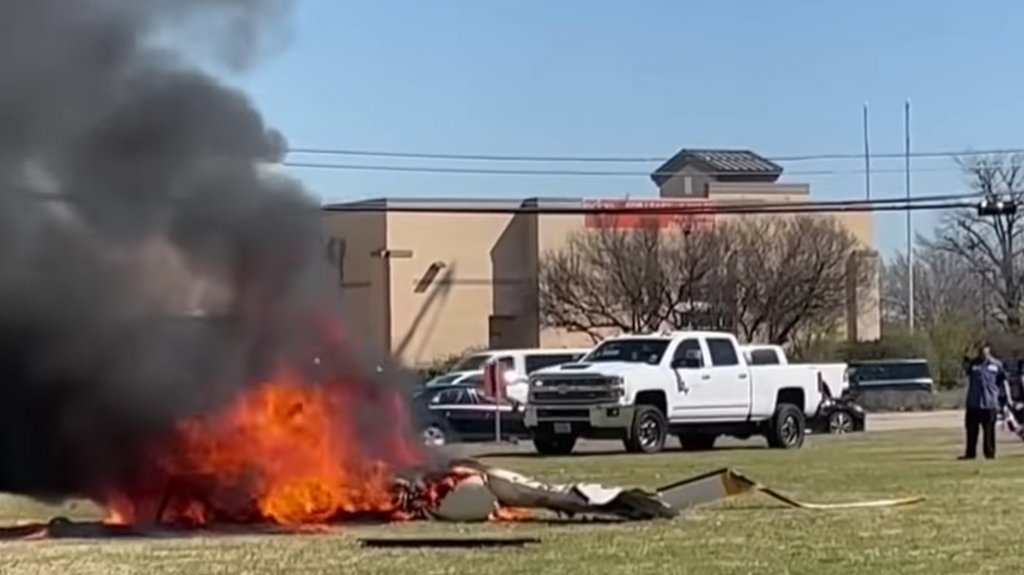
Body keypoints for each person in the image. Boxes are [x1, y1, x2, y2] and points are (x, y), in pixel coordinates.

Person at [961, 343, 1008, 460]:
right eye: (980, 350)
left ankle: (990, 453)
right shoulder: (973, 364)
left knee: (989, 431)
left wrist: (1005, 399)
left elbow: (1002, 381)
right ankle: (970, 454)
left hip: (990, 403)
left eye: (985, 350)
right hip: (974, 403)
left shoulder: (996, 365)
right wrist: (966, 353)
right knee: (971, 431)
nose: (982, 353)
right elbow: (964, 370)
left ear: (989, 350)